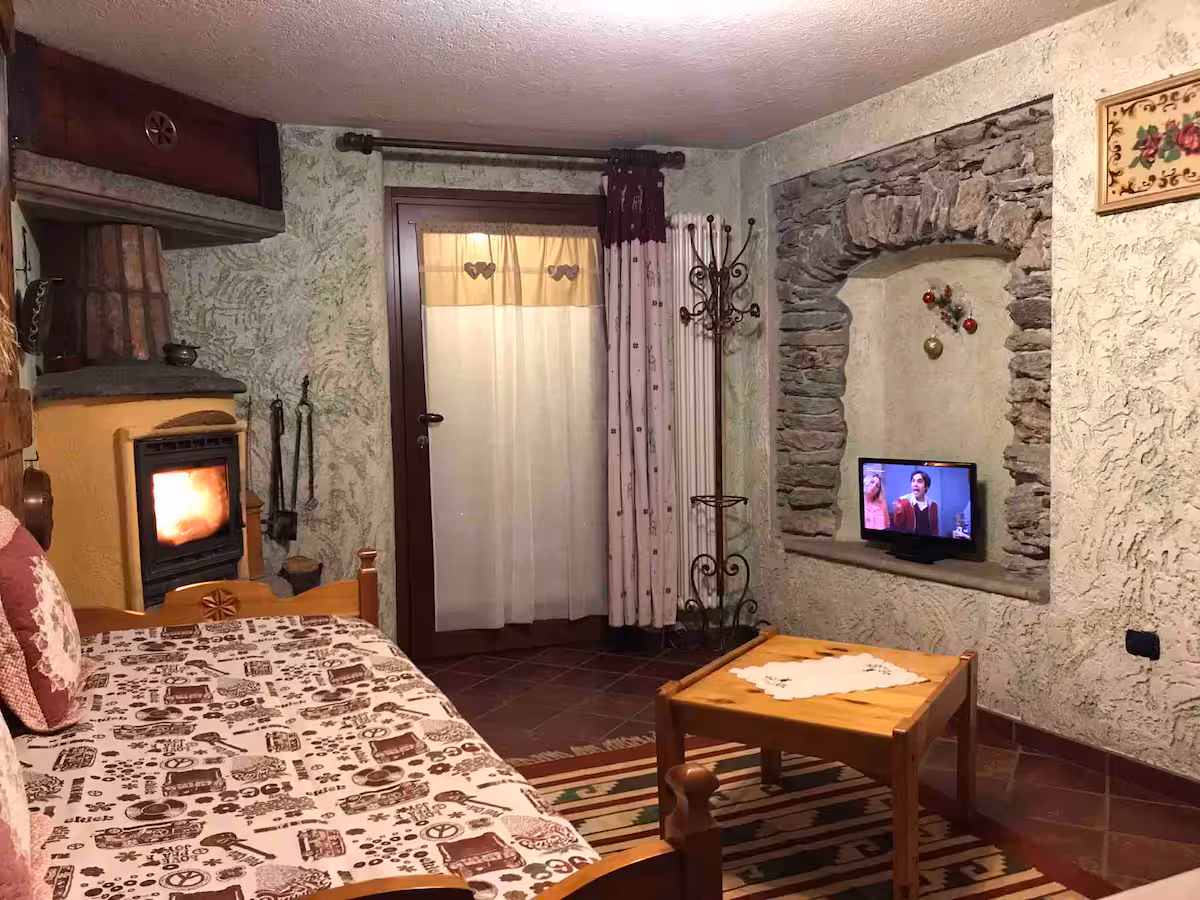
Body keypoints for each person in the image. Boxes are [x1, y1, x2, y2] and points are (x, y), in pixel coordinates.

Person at [892, 470, 939, 535]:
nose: (915, 484)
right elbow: (897, 528)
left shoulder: (933, 505)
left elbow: (935, 530)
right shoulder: (903, 502)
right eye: (913, 481)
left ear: (926, 487)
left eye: (919, 482)